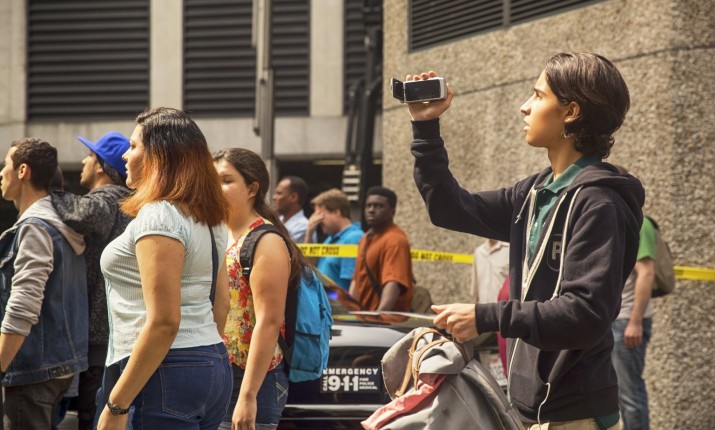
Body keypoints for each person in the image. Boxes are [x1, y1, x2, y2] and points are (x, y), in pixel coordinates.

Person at [406, 52, 644, 429]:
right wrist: (425, 126)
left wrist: (484, 316)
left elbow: (585, 313)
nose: (524, 107)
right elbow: (450, 208)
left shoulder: (600, 202)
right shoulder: (532, 193)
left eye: (537, 95)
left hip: (575, 416)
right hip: (529, 411)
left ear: (571, 112)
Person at [95, 107, 232, 429]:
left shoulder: (159, 215)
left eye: (133, 146)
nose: (125, 155)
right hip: (209, 361)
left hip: (162, 369)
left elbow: (165, 321)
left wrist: (116, 406)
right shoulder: (208, 216)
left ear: (157, 157)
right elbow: (222, 303)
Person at [213, 148, 311, 430]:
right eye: (213, 180)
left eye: (226, 180)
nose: (216, 187)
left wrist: (248, 396)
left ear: (252, 188)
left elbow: (269, 321)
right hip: (218, 372)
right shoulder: (218, 231)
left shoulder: (265, 240)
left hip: (253, 378)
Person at [0, 138, 88, 429]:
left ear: (22, 170)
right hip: (57, 368)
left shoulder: (36, 227)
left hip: (32, 370)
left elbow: (23, 304)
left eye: (6, 165)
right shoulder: (61, 225)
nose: (1, 173)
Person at [51, 131, 132, 430]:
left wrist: (45, 191)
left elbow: (83, 214)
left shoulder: (108, 198)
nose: (84, 162)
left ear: (101, 166)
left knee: (91, 419)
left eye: (89, 156)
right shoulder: (129, 203)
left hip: (97, 342)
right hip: (110, 337)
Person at [612, 215, 657, 430]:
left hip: (626, 323)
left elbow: (646, 272)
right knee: (617, 395)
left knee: (630, 395)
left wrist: (635, 321)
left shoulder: (640, 223)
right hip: (613, 321)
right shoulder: (615, 219)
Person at [349, 186, 413, 312]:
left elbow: (393, 282)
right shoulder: (365, 238)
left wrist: (379, 317)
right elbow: (356, 281)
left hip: (384, 319)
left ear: (392, 212)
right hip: (363, 317)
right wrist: (351, 312)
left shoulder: (395, 240)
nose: (371, 210)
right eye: (368, 206)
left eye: (378, 206)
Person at [304, 188, 364, 290]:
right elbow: (309, 267)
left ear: (336, 212)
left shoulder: (353, 238)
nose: (317, 220)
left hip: (338, 299)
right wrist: (309, 233)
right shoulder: (330, 239)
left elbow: (353, 283)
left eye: (320, 214)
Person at [471, 239, 510, 303]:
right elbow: (476, 290)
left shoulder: (509, 250)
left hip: (501, 306)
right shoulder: (478, 252)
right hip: (482, 306)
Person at [272, 176, 309, 242]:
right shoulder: (277, 220)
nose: (274, 197)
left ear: (293, 197)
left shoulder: (303, 227)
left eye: (279, 193)